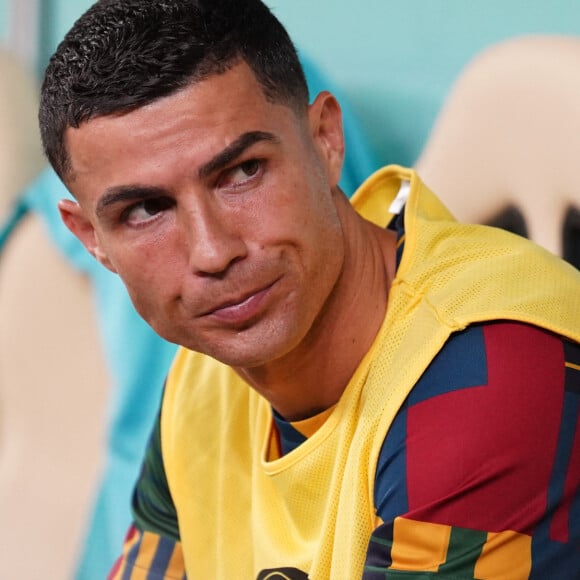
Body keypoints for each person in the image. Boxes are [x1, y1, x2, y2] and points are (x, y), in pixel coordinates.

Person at [38, 1, 580, 578]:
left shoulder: (490, 372)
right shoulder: (200, 384)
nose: (213, 252)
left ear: (325, 139)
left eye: (243, 172)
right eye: (147, 209)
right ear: (92, 238)